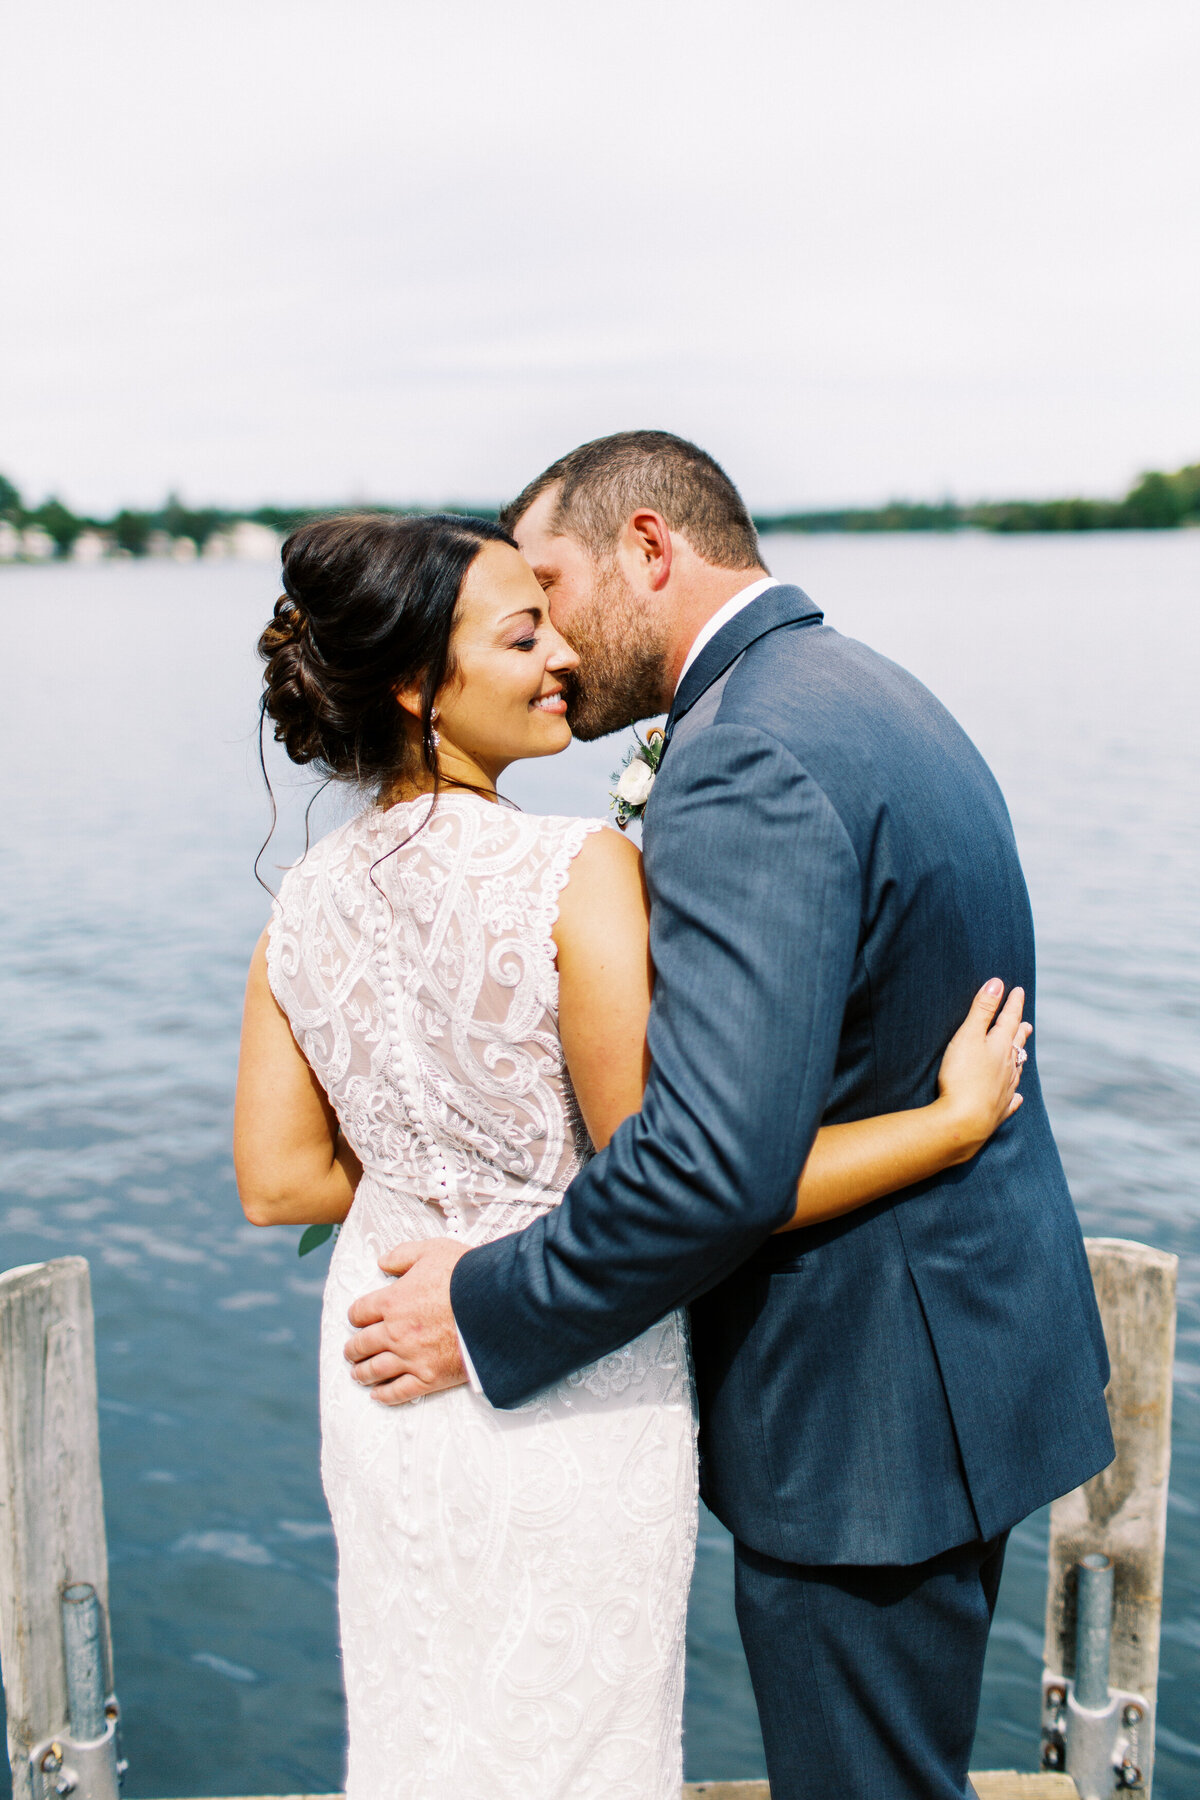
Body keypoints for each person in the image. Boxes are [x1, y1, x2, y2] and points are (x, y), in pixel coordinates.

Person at [343, 433, 1116, 1800]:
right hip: (955, 1356)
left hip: (868, 1408)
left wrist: (483, 1307)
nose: (555, 647)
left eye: (556, 587)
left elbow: (707, 1165)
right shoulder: (858, 686)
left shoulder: (745, 749)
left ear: (650, 548)